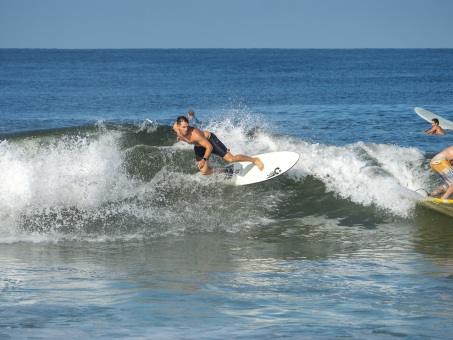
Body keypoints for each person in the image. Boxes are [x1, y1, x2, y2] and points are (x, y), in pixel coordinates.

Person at [173, 116, 264, 175]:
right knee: (204, 171)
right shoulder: (176, 129)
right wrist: (179, 135)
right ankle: (224, 170)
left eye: (187, 126)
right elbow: (179, 123)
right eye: (183, 127)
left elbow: (209, 147)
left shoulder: (195, 134)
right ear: (178, 126)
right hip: (199, 146)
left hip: (210, 141)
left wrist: (204, 159)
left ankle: (254, 160)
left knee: (231, 159)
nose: (186, 129)